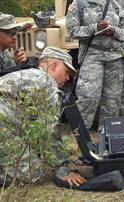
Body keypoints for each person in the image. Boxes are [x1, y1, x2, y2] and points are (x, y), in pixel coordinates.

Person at [0, 46, 86, 186]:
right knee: (32, 174)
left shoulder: (28, 74)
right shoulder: (48, 83)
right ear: (54, 66)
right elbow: (50, 129)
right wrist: (61, 168)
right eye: (66, 72)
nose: (68, 78)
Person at [66, 0, 124, 129]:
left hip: (115, 58)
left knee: (112, 102)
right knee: (88, 98)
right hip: (92, 56)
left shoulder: (115, 6)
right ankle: (82, 141)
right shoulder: (79, 3)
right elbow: (72, 31)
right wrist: (95, 28)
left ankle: (107, 142)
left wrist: (113, 31)